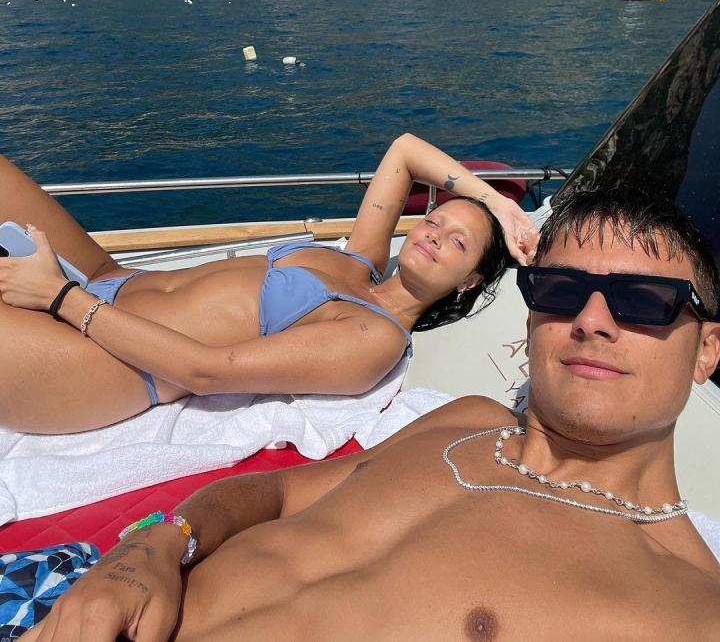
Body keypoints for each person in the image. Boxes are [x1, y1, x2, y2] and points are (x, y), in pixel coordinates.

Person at [23, 186, 720, 640]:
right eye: (562, 289)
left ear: (706, 350)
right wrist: (153, 546)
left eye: (643, 300)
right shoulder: (464, 420)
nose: (592, 320)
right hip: (82, 592)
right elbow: (276, 490)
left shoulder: (686, 608)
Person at [0, 134, 537, 433]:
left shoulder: (375, 337)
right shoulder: (363, 260)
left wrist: (60, 298)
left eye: (458, 243)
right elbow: (404, 152)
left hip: (105, 363)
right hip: (109, 280)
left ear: (471, 279)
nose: (435, 235)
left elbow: (205, 372)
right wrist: (496, 202)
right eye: (435, 221)